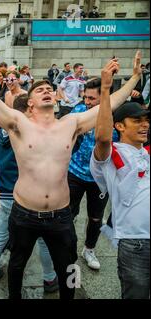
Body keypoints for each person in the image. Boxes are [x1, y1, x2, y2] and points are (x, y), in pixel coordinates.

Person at [0, 45, 142, 299]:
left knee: (68, 265)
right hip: (24, 213)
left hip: (61, 215)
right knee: (17, 263)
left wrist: (133, 77)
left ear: (56, 98)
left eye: (49, 89)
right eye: (39, 90)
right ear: (31, 103)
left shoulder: (70, 123)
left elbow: (108, 105)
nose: (45, 91)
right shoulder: (17, 123)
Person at [0, 94, 58, 292]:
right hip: (25, 196)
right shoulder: (24, 133)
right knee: (43, 239)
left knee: (0, 235)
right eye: (32, 110)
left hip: (5, 192)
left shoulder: (2, 131)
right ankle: (50, 278)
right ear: (25, 111)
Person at [90, 69, 149, 299]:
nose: (144, 125)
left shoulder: (146, 152)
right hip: (136, 243)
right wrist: (105, 90)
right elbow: (102, 137)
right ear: (120, 127)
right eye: (137, 121)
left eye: (146, 121)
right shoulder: (111, 156)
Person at [68, 78, 119, 271]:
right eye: (85, 97)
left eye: (91, 98)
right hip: (74, 172)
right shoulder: (79, 111)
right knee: (69, 213)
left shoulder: (116, 116)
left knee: (96, 218)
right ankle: (68, 248)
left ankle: (89, 249)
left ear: (104, 96)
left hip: (101, 178)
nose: (86, 102)